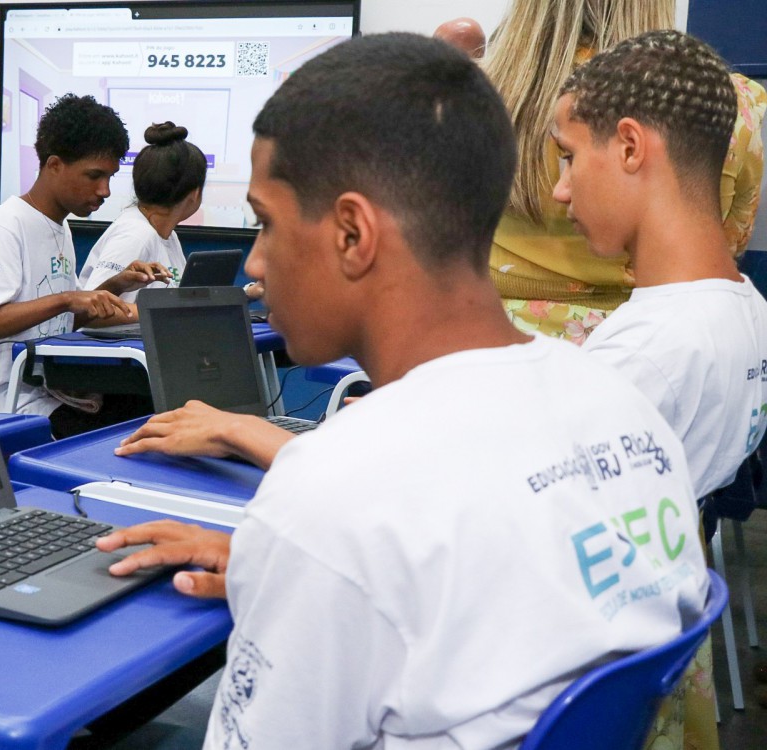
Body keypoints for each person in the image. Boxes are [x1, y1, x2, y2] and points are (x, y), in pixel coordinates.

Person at [97, 33, 708, 748]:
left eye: (266, 223)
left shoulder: (329, 500)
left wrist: (303, 560)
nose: (256, 259)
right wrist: (298, 575)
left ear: (353, 233)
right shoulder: (624, 409)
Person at [555, 30, 767, 501]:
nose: (560, 189)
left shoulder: (638, 357)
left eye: (569, 157)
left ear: (630, 146)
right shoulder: (752, 311)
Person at [483, 0, 765, 342]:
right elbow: (728, 241)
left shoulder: (471, 97)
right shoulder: (718, 103)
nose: (562, 190)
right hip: (668, 337)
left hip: (495, 341)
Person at [0, 94, 169, 437]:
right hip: (13, 400)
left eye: (111, 177)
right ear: (54, 165)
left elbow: (64, 316)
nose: (104, 190)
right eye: (94, 176)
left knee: (159, 409)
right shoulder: (4, 224)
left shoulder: (61, 226)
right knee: (139, 429)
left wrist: (116, 285)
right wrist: (67, 299)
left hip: (56, 387)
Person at [78, 122, 206, 301]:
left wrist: (245, 294)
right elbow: (90, 310)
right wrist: (157, 313)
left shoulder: (167, 235)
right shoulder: (136, 235)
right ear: (195, 193)